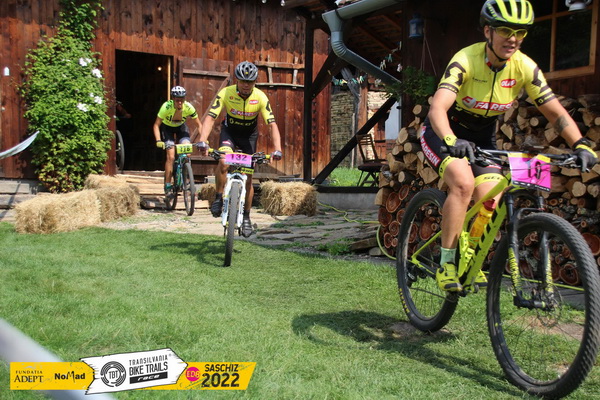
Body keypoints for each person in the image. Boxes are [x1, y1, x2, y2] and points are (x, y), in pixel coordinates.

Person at [421, 0, 598, 292]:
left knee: (491, 196)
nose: (513, 39)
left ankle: (470, 255)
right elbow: (437, 108)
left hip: (482, 138)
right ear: (488, 31)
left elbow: (555, 113)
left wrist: (579, 143)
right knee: (463, 184)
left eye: (520, 32)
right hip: (445, 132)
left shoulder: (525, 67)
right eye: (505, 30)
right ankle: (447, 262)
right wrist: (451, 140)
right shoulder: (466, 60)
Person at [196, 61, 283, 237]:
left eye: (250, 82)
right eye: (243, 81)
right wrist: (203, 140)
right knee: (223, 161)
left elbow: (272, 124)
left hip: (249, 137)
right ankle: (219, 197)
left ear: (255, 82)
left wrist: (277, 149)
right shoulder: (226, 93)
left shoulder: (260, 97)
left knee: (248, 177)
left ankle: (247, 217)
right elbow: (211, 118)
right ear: (237, 80)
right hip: (229, 133)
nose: (246, 85)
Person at [153, 86, 202, 195]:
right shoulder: (166, 107)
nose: (180, 102)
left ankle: (184, 177)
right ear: (173, 99)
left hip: (181, 128)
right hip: (167, 129)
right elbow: (156, 125)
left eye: (182, 100)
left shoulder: (188, 107)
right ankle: (167, 184)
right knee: (170, 157)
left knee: (187, 153)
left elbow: (199, 125)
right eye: (177, 100)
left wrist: (203, 139)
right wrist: (158, 140)